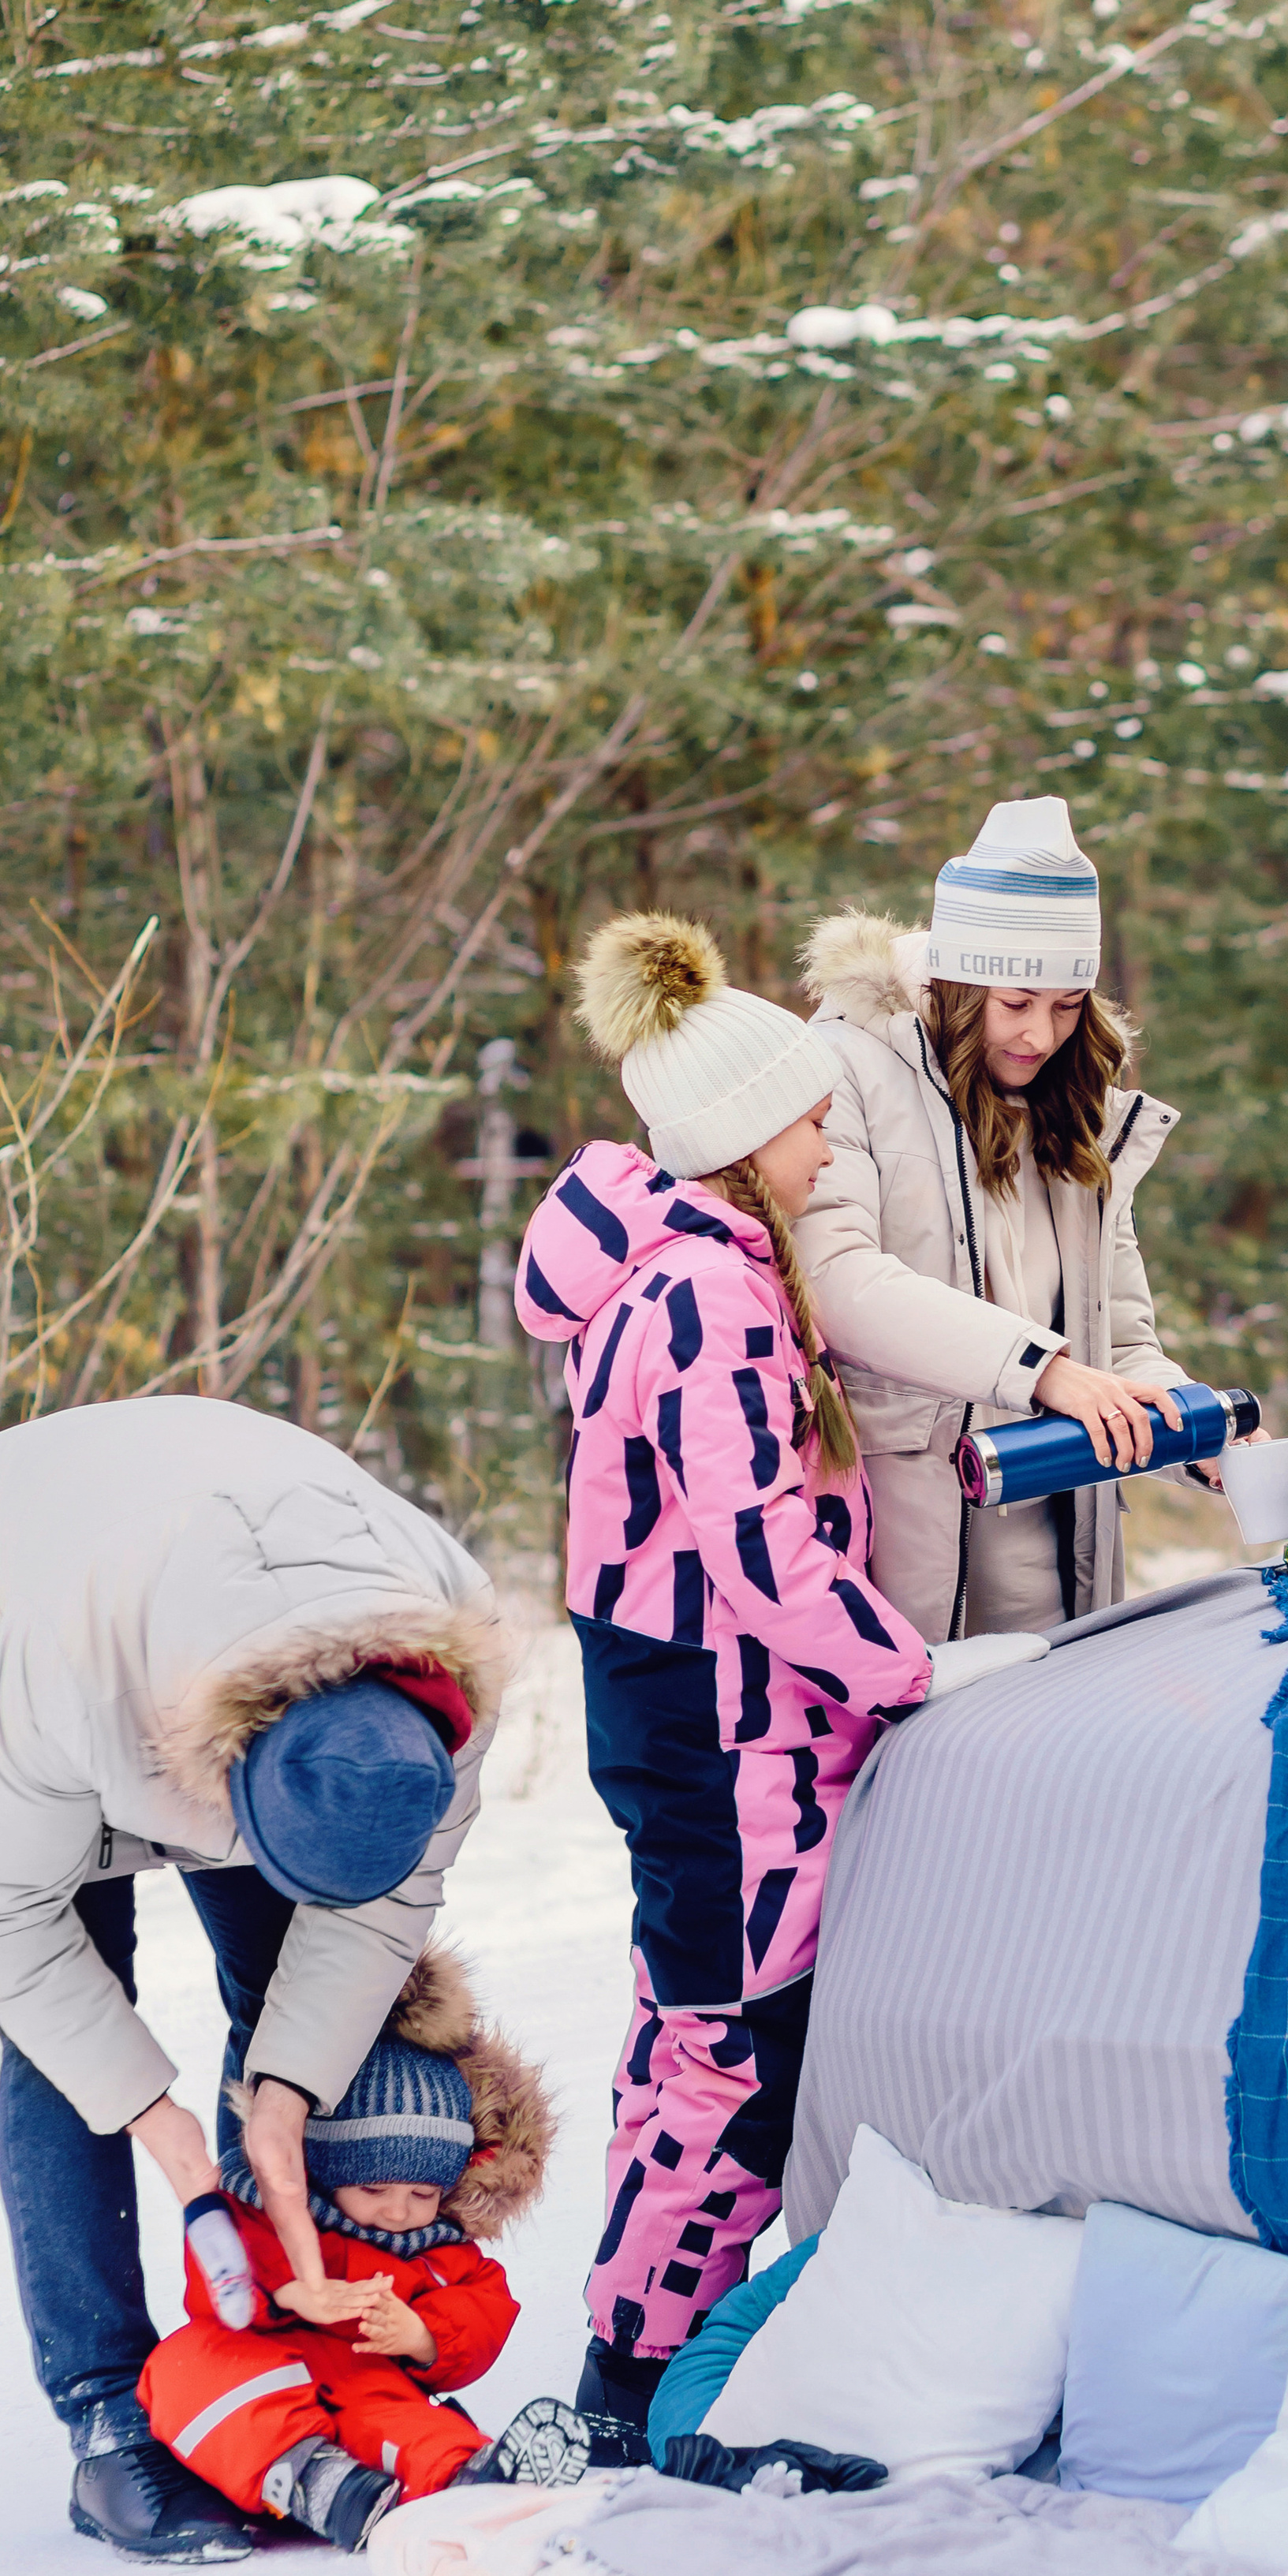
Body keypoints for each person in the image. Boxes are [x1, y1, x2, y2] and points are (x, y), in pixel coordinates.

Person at [0, 1398, 505, 2563]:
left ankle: (300, 2364)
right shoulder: (76, 1668)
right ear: (233, 1775)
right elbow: (3, 1918)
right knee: (70, 2016)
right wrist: (167, 2135)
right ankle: (110, 2412)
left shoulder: (450, 1675)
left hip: (212, 1591)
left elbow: (373, 1921)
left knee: (297, 1997)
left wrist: (284, 2102)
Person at [515, 913, 936, 2427]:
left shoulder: (689, 1264)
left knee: (704, 2028)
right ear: (750, 1139)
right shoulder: (706, 1299)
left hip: (698, 1717)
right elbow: (760, 1558)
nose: (829, 1151)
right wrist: (911, 1675)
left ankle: (677, 2347)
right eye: (815, 1124)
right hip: (719, 1726)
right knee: (729, 2051)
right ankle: (633, 2382)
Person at [796, 793, 1197, 1645]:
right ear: (957, 980)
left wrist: (1192, 1422)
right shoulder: (847, 1068)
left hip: (1055, 1525)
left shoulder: (1073, 1107)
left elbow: (1116, 1335)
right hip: (906, 1524)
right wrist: (1041, 1371)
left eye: (1067, 1004)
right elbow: (836, 1279)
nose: (1041, 1033)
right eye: (1015, 1001)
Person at [139, 1944, 551, 2550]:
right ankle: (311, 2478)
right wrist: (287, 2293)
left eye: (423, 2191)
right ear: (323, 2167)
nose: (398, 2209)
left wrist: (424, 2336)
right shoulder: (272, 2218)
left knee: (411, 2424)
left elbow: (487, 2311)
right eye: (375, 2187)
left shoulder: (443, 2254)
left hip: (370, 2381)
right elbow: (215, 2274)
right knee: (179, 2369)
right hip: (259, 2369)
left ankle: (474, 2480)